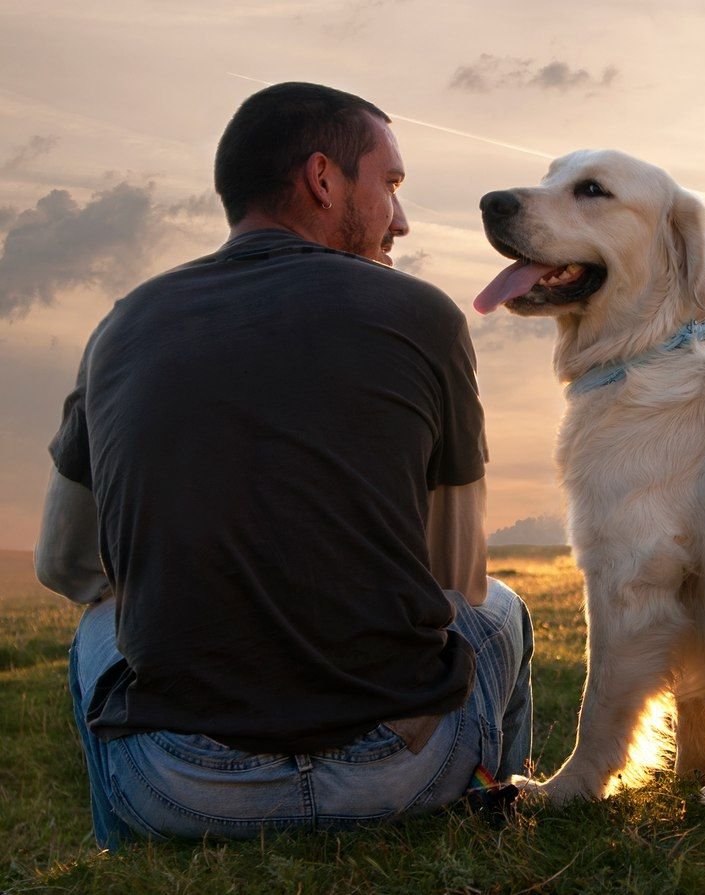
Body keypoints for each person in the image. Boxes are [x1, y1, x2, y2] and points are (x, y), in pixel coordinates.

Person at [33, 82, 533, 851]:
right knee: (502, 609)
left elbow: (63, 564)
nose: (401, 218)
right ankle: (495, 807)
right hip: (399, 773)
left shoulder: (122, 324)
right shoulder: (424, 314)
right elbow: (456, 577)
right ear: (324, 178)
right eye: (391, 185)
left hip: (182, 788)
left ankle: (124, 848)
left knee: (102, 621)